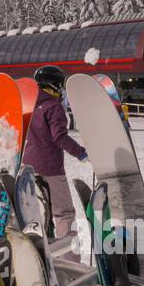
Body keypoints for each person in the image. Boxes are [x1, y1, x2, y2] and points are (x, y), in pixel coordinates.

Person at [21, 65, 89, 248]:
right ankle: (69, 261)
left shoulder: (27, 104)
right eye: (60, 84)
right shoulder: (53, 106)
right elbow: (59, 137)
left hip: (27, 168)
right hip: (50, 168)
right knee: (63, 214)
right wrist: (81, 152)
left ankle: (37, 255)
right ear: (53, 85)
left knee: (37, 214)